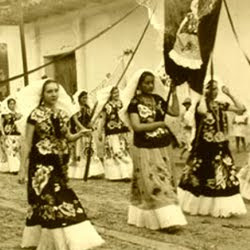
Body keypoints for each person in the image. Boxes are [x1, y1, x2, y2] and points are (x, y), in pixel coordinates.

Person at [18, 79, 104, 249]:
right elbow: (27, 143)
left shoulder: (62, 114)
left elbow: (68, 137)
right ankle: (57, 244)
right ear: (42, 95)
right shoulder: (35, 115)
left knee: (61, 199)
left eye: (55, 91)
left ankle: (57, 241)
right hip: (40, 167)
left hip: (59, 166)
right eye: (49, 91)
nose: (53, 94)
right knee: (48, 201)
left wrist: (81, 133)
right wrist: (22, 168)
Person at [120, 69, 187, 232]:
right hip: (145, 147)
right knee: (153, 182)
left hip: (163, 146)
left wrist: (174, 92)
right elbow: (137, 126)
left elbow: (175, 112)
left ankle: (165, 218)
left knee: (165, 179)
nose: (150, 86)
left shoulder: (158, 100)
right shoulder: (134, 103)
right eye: (146, 83)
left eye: (152, 82)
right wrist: (160, 124)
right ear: (139, 85)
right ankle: (167, 220)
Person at [178, 79, 247, 217]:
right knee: (201, 175)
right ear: (204, 90)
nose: (213, 92)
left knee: (221, 175)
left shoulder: (221, 104)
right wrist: (202, 95)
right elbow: (202, 111)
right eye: (210, 88)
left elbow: (241, 109)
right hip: (204, 147)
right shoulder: (198, 104)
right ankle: (200, 205)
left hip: (220, 146)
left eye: (215, 89)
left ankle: (218, 206)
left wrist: (230, 94)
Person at [97, 86, 133, 181]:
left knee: (123, 150)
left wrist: (128, 126)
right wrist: (99, 132)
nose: (116, 94)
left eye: (117, 92)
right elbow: (103, 119)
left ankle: (126, 173)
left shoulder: (121, 104)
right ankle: (115, 175)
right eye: (114, 93)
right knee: (115, 152)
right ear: (110, 95)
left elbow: (125, 116)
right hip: (111, 132)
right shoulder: (106, 106)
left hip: (121, 131)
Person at [68, 91, 104, 179]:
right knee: (80, 151)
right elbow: (75, 120)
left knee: (90, 150)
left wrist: (91, 124)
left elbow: (90, 120)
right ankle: (80, 172)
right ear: (79, 98)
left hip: (88, 132)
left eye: (86, 98)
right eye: (83, 98)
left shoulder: (88, 108)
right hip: (79, 132)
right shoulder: (75, 108)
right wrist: (82, 129)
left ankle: (93, 171)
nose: (85, 100)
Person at [1, 98, 22, 174]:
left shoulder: (17, 114)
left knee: (16, 150)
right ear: (8, 105)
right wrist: (3, 133)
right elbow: (1, 123)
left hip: (16, 133)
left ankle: (16, 167)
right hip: (8, 134)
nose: (12, 105)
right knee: (10, 151)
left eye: (13, 104)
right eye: (10, 104)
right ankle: (13, 168)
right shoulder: (5, 114)